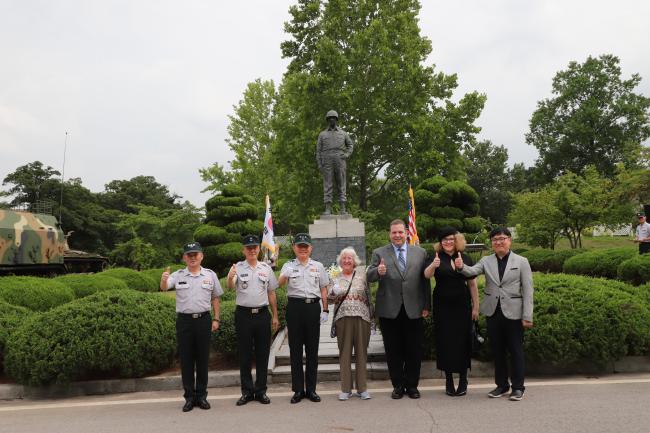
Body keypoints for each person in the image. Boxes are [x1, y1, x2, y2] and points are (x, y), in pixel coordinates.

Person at [454, 227, 533, 401]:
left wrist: (527, 316)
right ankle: (502, 385)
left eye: (502, 238)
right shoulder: (486, 260)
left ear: (509, 240)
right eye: (495, 239)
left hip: (514, 313)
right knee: (497, 351)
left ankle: (518, 387)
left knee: (516, 351)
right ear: (492, 243)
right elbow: (472, 271)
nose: (499, 242)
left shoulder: (521, 261)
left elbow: (528, 291)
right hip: (493, 312)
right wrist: (461, 267)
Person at [367, 219, 430, 399]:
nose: (397, 235)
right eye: (394, 232)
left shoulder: (420, 252)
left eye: (400, 232)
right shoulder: (379, 253)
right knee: (393, 350)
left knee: (414, 350)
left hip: (414, 308)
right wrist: (377, 272)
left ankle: (412, 386)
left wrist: (426, 305)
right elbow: (369, 276)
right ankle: (397, 385)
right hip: (389, 309)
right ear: (389, 234)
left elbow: (425, 282)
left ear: (406, 233)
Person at [160, 242, 222, 412]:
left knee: (202, 359)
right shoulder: (178, 275)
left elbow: (216, 297)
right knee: (186, 360)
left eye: (196, 254)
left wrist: (216, 319)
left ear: (201, 256)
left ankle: (201, 396)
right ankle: (189, 397)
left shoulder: (210, 275)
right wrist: (163, 280)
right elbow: (165, 287)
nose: (193, 257)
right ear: (184, 258)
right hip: (185, 322)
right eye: (189, 254)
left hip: (204, 320)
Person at [423, 228, 479, 397]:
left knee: (462, 341)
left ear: (457, 241)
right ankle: (448, 379)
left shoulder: (465, 257)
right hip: (442, 306)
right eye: (444, 239)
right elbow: (426, 275)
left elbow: (472, 284)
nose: (448, 242)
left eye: (451, 239)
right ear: (440, 242)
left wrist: (476, 307)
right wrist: (433, 265)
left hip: (462, 305)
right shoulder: (435, 257)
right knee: (445, 341)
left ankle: (463, 379)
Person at [226, 235, 280, 406]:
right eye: (248, 247)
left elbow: (271, 292)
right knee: (245, 355)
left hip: (263, 315)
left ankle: (261, 391)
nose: (251, 250)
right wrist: (229, 277)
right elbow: (229, 286)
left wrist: (275, 315)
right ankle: (247, 392)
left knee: (263, 354)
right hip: (243, 316)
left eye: (254, 247)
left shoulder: (266, 268)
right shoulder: (237, 268)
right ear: (244, 250)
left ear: (258, 249)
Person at [278, 233, 330, 403]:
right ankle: (298, 390)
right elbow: (280, 284)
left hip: (313, 308)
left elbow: (323, 288)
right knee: (295, 350)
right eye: (299, 246)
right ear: (294, 248)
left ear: (310, 248)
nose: (302, 249)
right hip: (295, 308)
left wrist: (325, 309)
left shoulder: (318, 266)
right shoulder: (288, 265)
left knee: (312, 350)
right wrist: (284, 274)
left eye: (305, 246)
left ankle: (312, 389)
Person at [328, 247, 373, 401]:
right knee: (345, 354)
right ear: (340, 261)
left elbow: (369, 297)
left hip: (362, 318)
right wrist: (333, 292)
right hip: (343, 319)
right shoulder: (334, 278)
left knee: (362, 353)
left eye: (350, 258)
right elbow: (329, 299)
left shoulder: (362, 276)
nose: (347, 261)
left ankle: (362, 389)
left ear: (355, 261)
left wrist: (372, 318)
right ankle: (346, 389)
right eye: (344, 258)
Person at [316, 110, 354, 215]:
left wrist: (346, 155)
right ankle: (328, 208)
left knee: (341, 184)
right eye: (330, 118)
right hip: (327, 160)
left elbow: (350, 145)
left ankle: (343, 208)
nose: (332, 119)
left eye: (333, 117)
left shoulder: (343, 133)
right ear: (328, 120)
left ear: (336, 119)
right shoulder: (322, 135)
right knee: (328, 184)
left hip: (340, 159)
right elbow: (318, 151)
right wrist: (319, 164)